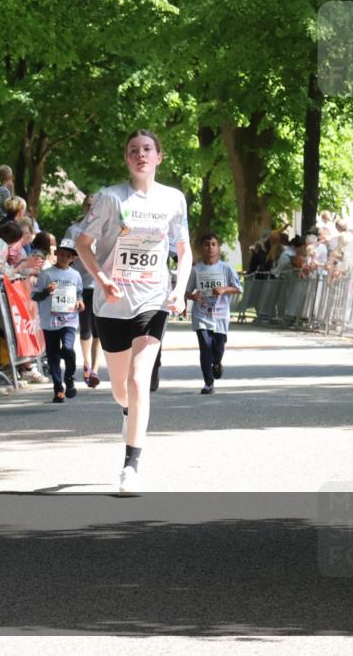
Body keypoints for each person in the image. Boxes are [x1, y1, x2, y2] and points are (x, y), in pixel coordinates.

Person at [74, 129, 192, 495]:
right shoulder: (111, 198)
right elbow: (82, 243)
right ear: (127, 159)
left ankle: (130, 466)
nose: (141, 155)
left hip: (153, 299)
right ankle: (128, 411)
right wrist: (102, 279)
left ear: (159, 157)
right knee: (121, 391)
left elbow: (183, 250)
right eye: (133, 150)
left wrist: (179, 290)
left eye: (147, 149)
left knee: (139, 382)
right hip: (112, 303)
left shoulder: (173, 199)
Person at [185, 233, 242, 395]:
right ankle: (208, 383)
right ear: (200, 248)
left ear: (219, 248)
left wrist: (224, 289)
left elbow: (238, 288)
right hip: (201, 314)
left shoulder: (226, 268)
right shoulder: (196, 270)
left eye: (213, 244)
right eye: (206, 244)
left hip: (220, 314)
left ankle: (217, 362)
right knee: (205, 347)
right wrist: (193, 296)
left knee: (218, 349)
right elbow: (186, 291)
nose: (210, 248)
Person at [32, 238, 85, 403]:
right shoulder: (46, 274)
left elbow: (79, 293)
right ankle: (58, 389)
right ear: (56, 254)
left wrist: (80, 301)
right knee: (53, 356)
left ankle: (69, 377)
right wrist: (46, 292)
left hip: (69, 319)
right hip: (50, 321)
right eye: (61, 254)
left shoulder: (75, 275)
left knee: (68, 348)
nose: (63, 258)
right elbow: (35, 296)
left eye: (67, 256)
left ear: (73, 258)